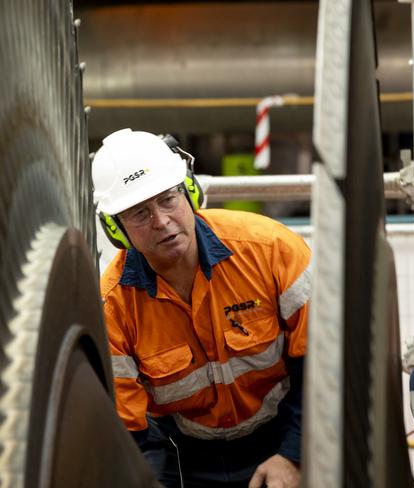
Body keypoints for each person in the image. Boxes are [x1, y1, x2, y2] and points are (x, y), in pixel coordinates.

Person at [92, 128, 311, 488]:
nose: (161, 221)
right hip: (182, 453)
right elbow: (131, 434)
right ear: (116, 229)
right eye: (139, 212)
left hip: (284, 433)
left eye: (167, 199)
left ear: (190, 191)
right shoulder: (113, 306)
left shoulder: (272, 250)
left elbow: (323, 367)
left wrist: (293, 456)